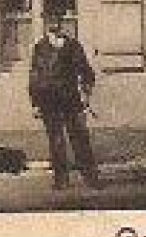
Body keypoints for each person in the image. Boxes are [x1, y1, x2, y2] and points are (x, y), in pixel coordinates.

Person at [27, 14, 99, 190]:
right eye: (49, 20)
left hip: (70, 99)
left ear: (61, 22)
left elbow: (86, 72)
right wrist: (35, 103)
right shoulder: (40, 48)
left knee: (79, 138)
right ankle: (61, 180)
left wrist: (86, 94)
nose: (53, 23)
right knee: (56, 140)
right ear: (45, 23)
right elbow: (35, 76)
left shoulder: (72, 46)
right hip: (48, 101)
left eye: (56, 19)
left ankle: (90, 178)